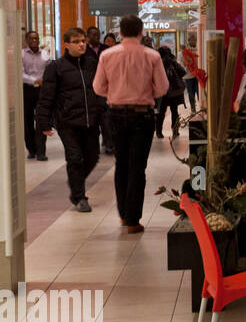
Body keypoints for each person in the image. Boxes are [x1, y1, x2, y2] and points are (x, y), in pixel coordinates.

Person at [92, 14, 168, 234]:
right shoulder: (152, 56)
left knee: (121, 164)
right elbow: (162, 88)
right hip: (142, 115)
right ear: (141, 31)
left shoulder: (107, 55)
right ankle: (134, 219)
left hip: (115, 114)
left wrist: (115, 94)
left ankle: (124, 216)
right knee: (138, 167)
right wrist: (145, 93)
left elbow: (98, 87)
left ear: (120, 32)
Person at [35, 27, 103, 212]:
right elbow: (46, 97)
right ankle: (79, 196)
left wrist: (104, 117)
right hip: (68, 122)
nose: (81, 44)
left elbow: (100, 92)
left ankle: (76, 180)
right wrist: (43, 123)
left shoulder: (92, 63)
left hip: (90, 121)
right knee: (75, 158)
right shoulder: (56, 67)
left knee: (92, 157)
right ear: (67, 44)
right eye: (76, 41)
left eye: (83, 41)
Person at [21, 30, 48, 161]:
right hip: (27, 89)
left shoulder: (45, 54)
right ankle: (31, 150)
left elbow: (49, 70)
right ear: (26, 40)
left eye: (36, 38)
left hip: (42, 90)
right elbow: (20, 73)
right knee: (28, 121)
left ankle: (41, 151)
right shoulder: (21, 54)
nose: (34, 41)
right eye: (31, 39)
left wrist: (43, 80)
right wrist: (34, 80)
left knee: (42, 120)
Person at [155, 46, 187, 139]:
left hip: (163, 92)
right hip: (174, 92)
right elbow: (182, 72)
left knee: (161, 113)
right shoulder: (173, 62)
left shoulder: (158, 63)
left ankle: (159, 132)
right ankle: (175, 131)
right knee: (174, 112)